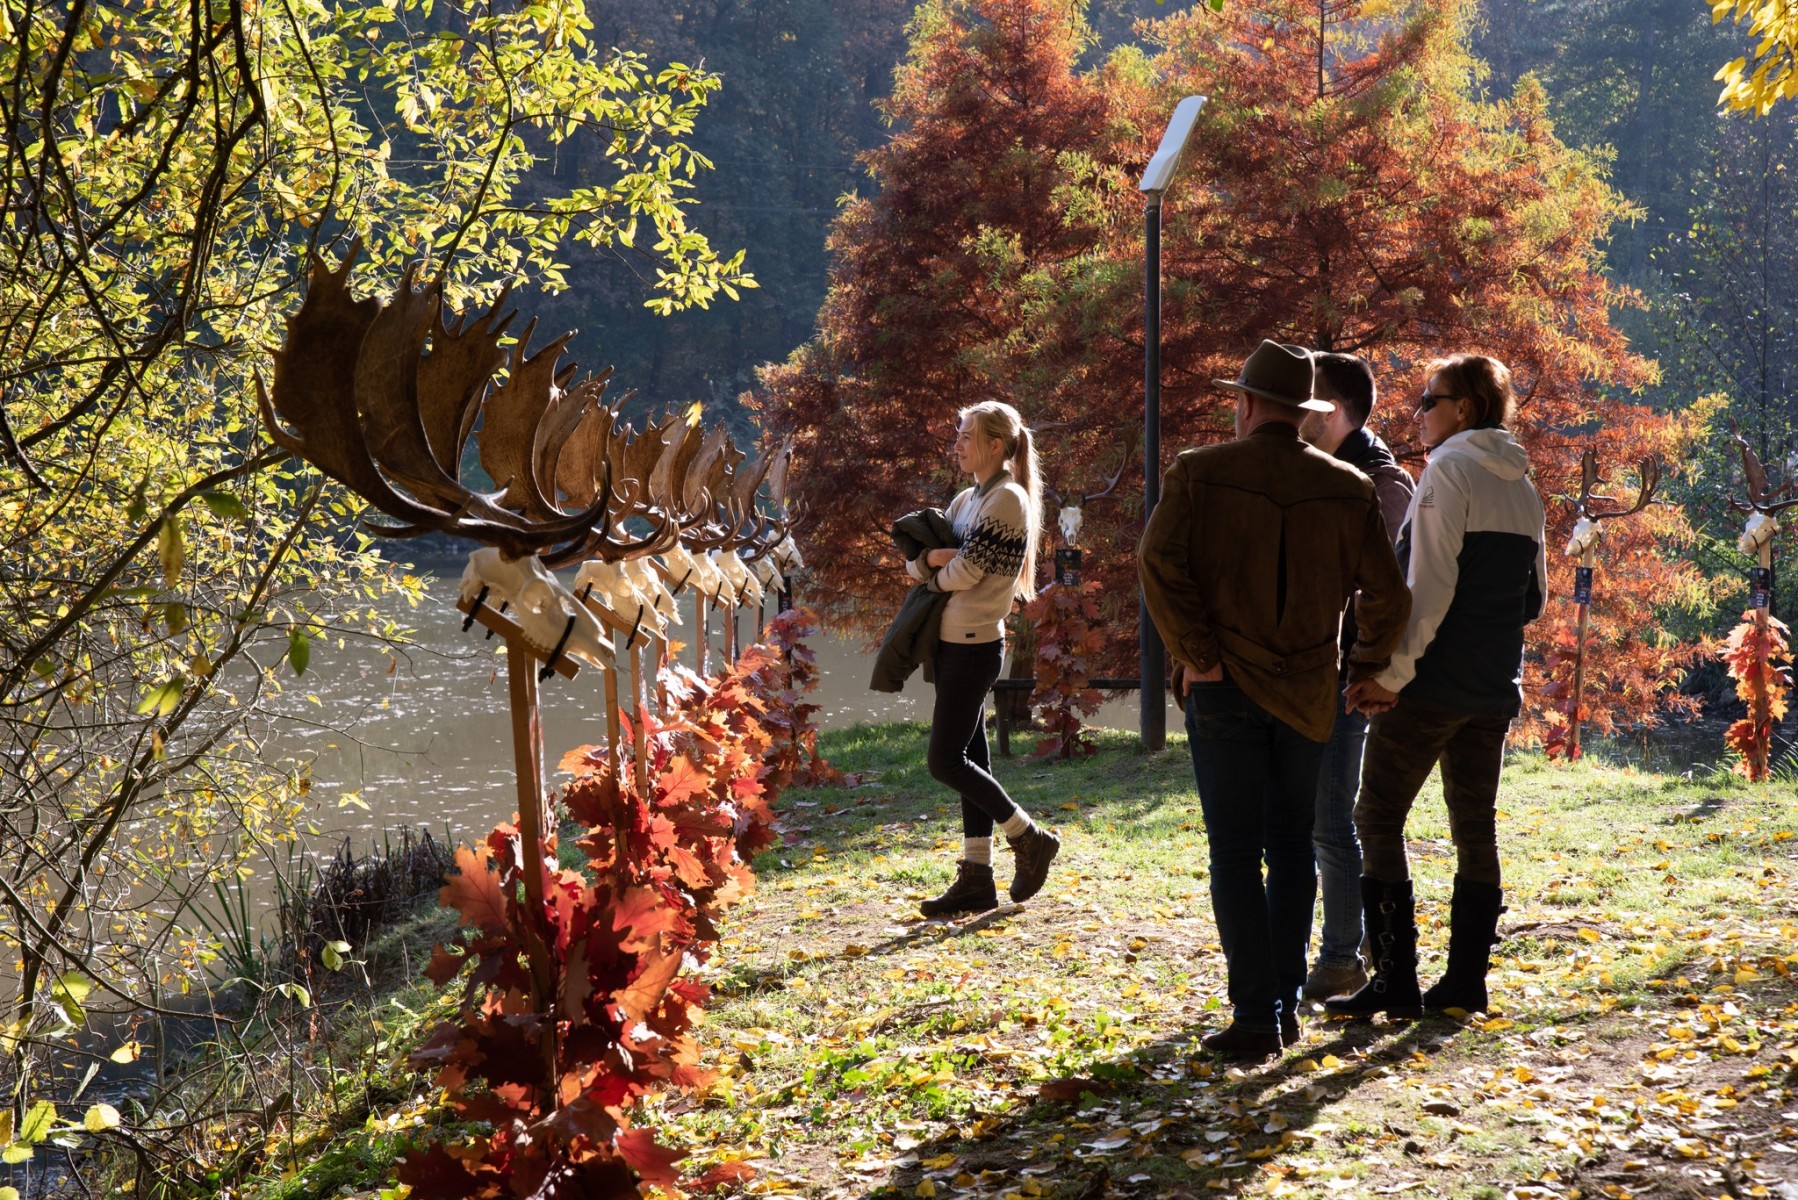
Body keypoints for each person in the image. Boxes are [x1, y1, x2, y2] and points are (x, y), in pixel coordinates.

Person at [1138, 341, 1410, 1059]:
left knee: (1234, 852)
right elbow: (1387, 594)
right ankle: (1283, 1007)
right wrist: (1365, 666)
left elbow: (1157, 566)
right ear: (1303, 414)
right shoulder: (1348, 488)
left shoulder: (1199, 473)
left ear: (1248, 404)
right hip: (1308, 691)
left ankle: (1256, 1014)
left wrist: (1199, 654)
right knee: (1293, 848)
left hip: (1223, 687)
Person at [1328, 353, 1546, 1020]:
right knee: (1474, 828)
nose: (1420, 411)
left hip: (1427, 686)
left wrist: (1389, 675)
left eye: (1432, 399)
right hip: (1491, 685)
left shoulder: (1450, 470)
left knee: (1376, 815)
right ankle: (1465, 982)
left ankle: (1396, 979)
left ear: (1466, 408)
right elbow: (1533, 599)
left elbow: (1428, 590)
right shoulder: (1525, 485)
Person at [908, 400, 1060, 918]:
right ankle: (977, 877)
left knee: (945, 761)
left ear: (996, 445)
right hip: (951, 643)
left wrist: (933, 569)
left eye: (967, 436)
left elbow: (967, 572)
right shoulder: (964, 500)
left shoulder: (1007, 501)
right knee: (971, 757)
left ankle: (1029, 836)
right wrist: (930, 559)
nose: (957, 444)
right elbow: (918, 555)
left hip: (975, 646)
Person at [1295, 353, 1415, 1003]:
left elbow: (1374, 587)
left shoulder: (1382, 483)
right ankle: (1362, 938)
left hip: (1344, 677)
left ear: (1334, 411)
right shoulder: (1327, 472)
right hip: (1314, 672)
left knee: (1330, 822)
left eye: (1306, 403)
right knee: (1324, 820)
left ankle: (1342, 956)